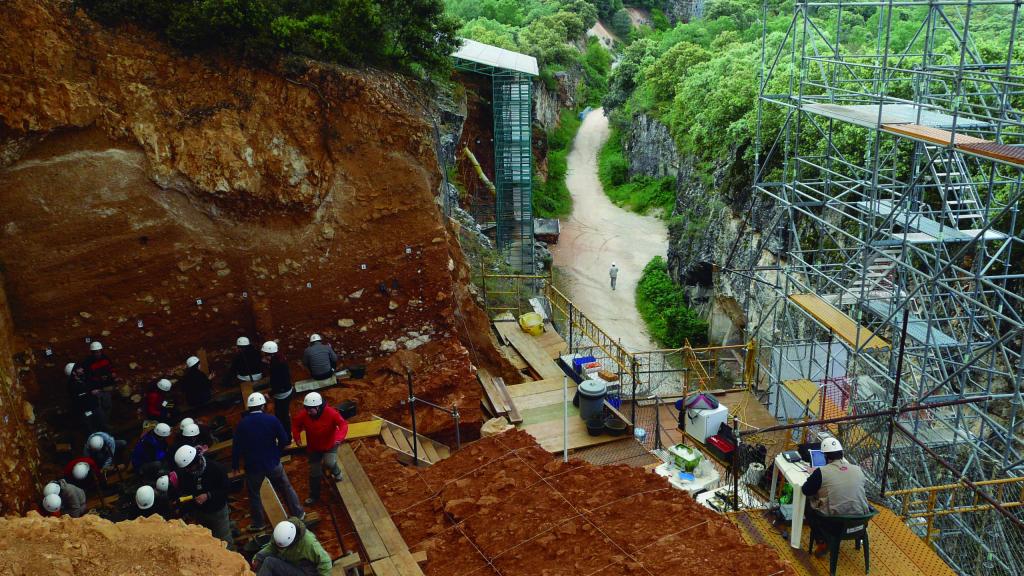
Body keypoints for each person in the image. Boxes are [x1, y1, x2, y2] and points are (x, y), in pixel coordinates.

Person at [233, 392, 304, 532]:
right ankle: (298, 513)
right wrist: (276, 454)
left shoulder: (242, 425)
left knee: (254, 494)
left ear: (249, 408)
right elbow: (284, 440)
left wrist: (235, 464)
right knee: (285, 486)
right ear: (263, 406)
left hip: (253, 467)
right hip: (272, 463)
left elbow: (237, 447)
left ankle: (259, 523)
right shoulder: (271, 420)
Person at [801, 437, 871, 556]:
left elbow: (806, 490)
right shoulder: (858, 470)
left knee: (808, 504)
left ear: (826, 457)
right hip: (860, 521)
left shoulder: (822, 472)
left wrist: (814, 476)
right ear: (842, 454)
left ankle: (822, 541)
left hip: (835, 523)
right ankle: (856, 541)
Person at [292, 392, 347, 505]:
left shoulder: (331, 413)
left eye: (310, 409)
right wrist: (296, 436)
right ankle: (314, 496)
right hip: (314, 448)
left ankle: (337, 472)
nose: (308, 412)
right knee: (314, 473)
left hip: (330, 445)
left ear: (318, 407)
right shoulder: (304, 415)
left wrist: (339, 437)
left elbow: (343, 425)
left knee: (329, 462)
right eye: (306, 409)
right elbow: (295, 425)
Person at [174, 445, 234, 549]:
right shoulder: (186, 473)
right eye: (186, 468)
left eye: (189, 467)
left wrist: (208, 495)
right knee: (206, 542)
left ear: (196, 461)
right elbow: (186, 490)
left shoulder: (215, 469)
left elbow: (226, 489)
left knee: (224, 542)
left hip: (217, 511)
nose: (188, 470)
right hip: (200, 512)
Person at [251, 518, 332, 576]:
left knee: (269, 562)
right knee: (267, 562)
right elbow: (272, 546)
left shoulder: (309, 543)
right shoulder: (281, 532)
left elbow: (325, 561)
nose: (280, 549)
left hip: (306, 572)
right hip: (292, 564)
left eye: (283, 547)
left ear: (292, 541)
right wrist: (259, 557)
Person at [262, 341, 294, 435]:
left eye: (265, 354)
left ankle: (287, 437)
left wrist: (270, 394)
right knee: (281, 414)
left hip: (282, 394)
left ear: (270, 354)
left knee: (283, 417)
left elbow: (279, 383)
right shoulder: (279, 360)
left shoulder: (276, 365)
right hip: (285, 391)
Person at [80, 341, 115, 425]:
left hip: (106, 387)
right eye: (95, 352)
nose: (98, 354)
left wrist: (110, 376)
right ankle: (100, 424)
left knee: (107, 405)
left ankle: (106, 422)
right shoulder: (87, 363)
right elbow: (87, 377)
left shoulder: (106, 359)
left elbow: (112, 370)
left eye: (99, 351)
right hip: (96, 389)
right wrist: (98, 379)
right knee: (98, 408)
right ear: (92, 352)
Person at [67, 362, 104, 434]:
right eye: (79, 369)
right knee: (91, 428)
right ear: (74, 373)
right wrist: (91, 393)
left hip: (94, 406)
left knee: (101, 423)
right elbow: (78, 397)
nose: (82, 369)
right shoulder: (72, 385)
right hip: (86, 410)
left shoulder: (82, 379)